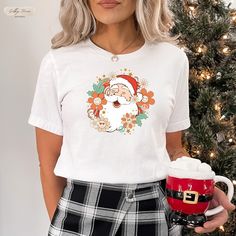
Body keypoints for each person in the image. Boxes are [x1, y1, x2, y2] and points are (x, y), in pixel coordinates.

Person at [28, 0, 235, 235]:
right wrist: (64, 224)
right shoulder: (58, 62)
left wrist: (199, 188)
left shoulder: (173, 60)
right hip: (80, 209)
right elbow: (48, 162)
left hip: (154, 209)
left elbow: (173, 150)